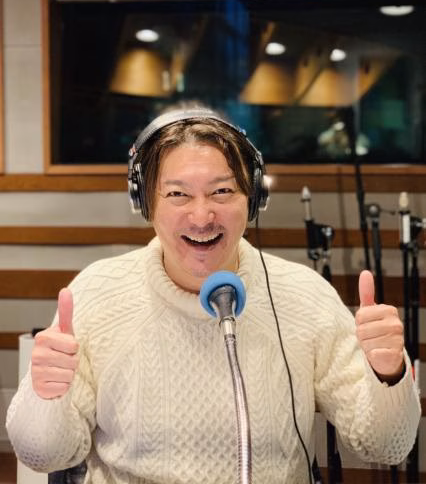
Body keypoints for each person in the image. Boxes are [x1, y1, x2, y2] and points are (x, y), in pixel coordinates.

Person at [6, 106, 421, 484]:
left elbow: (387, 446)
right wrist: (45, 397)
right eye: (177, 194)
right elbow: (44, 455)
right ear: (145, 203)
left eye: (222, 192)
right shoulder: (98, 293)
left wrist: (388, 374)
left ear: (254, 198)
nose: (202, 216)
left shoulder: (304, 296)